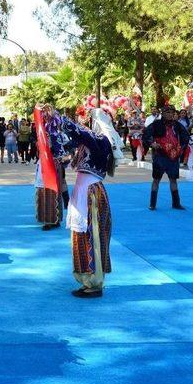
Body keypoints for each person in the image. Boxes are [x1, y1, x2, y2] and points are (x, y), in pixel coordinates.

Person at [58, 109, 116, 298]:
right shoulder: (92, 141)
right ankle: (86, 279)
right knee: (82, 236)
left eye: (94, 119)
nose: (91, 123)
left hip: (91, 194)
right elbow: (71, 146)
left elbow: (79, 133)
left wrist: (58, 117)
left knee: (92, 236)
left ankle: (94, 281)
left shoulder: (103, 141)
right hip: (84, 192)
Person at [143, 105, 189, 210]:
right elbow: (145, 136)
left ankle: (176, 203)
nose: (170, 114)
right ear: (163, 113)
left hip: (173, 157)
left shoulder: (177, 125)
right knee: (156, 180)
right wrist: (152, 144)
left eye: (172, 112)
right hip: (159, 156)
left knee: (173, 180)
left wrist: (180, 149)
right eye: (168, 112)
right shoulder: (156, 124)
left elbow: (185, 137)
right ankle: (152, 204)